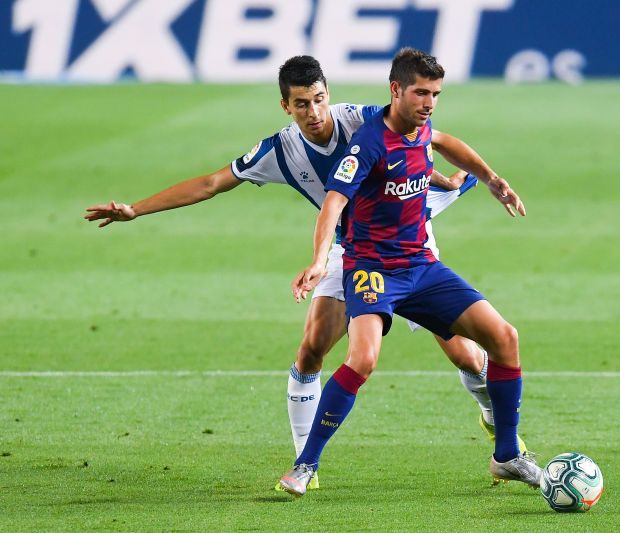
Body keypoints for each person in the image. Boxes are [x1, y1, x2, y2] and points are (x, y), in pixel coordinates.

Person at [84, 56, 519, 490]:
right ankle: (304, 461)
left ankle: (489, 409)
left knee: (464, 354)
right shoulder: (278, 151)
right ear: (285, 107)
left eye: (319, 100)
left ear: (328, 93)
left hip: (409, 242)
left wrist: (443, 180)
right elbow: (211, 184)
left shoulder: (360, 119)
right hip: (350, 251)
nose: (314, 113)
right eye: (301, 104)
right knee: (313, 348)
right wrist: (136, 209)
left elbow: (420, 138)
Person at [279, 48, 541, 497]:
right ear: (395, 90)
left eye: (436, 93)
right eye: (421, 92)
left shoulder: (421, 130)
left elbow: (444, 142)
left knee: (505, 338)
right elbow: (334, 202)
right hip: (372, 269)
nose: (429, 102)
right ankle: (305, 465)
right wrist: (321, 260)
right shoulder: (368, 144)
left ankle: (507, 456)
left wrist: (492, 179)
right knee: (362, 359)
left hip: (421, 265)